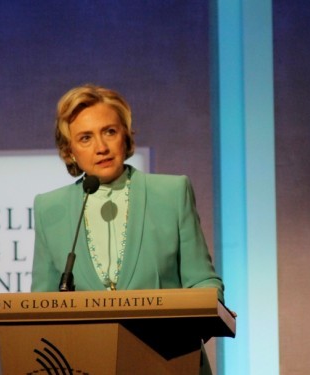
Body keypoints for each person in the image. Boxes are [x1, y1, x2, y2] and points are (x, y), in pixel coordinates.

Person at [31, 84, 224, 374]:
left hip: (168, 360)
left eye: (109, 131)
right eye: (85, 138)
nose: (101, 147)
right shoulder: (50, 208)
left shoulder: (171, 193)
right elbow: (42, 304)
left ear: (126, 135)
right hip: (85, 362)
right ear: (69, 151)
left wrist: (207, 310)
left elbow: (203, 281)